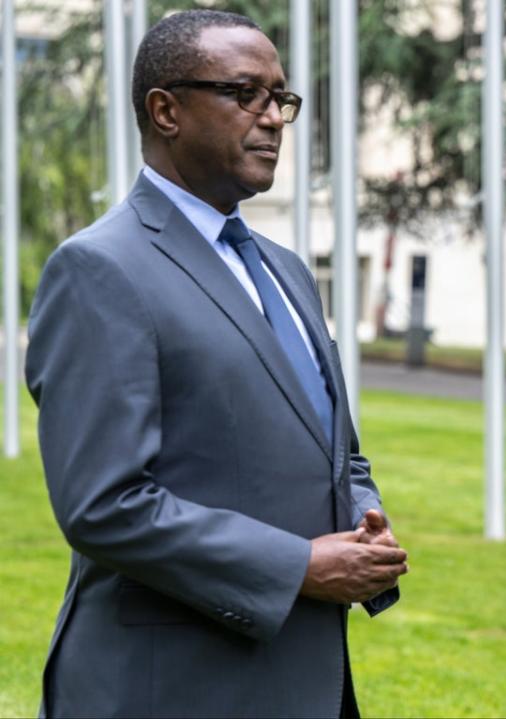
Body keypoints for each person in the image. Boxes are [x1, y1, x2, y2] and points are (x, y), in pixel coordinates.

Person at [25, 10, 407, 718]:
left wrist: (364, 519)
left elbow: (337, 451)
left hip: (305, 678)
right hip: (172, 683)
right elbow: (104, 504)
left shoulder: (287, 270)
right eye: (244, 93)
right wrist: (299, 567)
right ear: (165, 110)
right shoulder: (100, 269)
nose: (272, 119)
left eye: (281, 98)